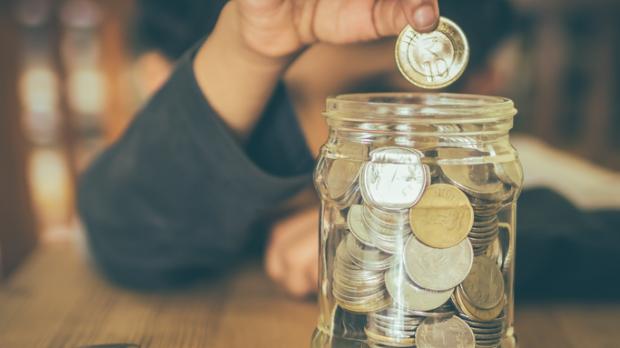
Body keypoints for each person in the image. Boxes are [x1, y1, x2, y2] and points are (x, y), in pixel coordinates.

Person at [79, 0, 620, 300]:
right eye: (279, 104)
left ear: (471, 89)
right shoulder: (181, 187)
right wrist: (245, 54)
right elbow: (124, 229)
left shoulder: (513, 179)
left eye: (383, 97)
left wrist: (457, 249)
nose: (327, 139)